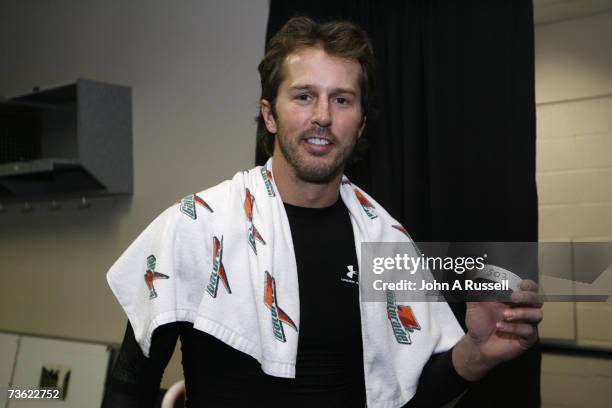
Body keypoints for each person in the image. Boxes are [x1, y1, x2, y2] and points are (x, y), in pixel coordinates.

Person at [103, 17, 543, 408]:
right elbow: (130, 382)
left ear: (362, 124)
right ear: (269, 115)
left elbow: (411, 398)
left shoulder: (386, 240)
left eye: (342, 100)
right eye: (303, 96)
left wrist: (477, 353)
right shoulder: (198, 225)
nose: (322, 116)